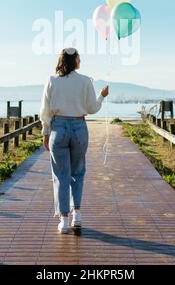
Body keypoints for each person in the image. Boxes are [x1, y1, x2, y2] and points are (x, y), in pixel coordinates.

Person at [40, 48, 109, 234]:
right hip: (79, 128)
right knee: (77, 172)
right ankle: (76, 215)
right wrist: (102, 95)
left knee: (61, 175)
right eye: (79, 57)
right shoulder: (86, 81)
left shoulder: (52, 80)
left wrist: (46, 133)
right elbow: (92, 108)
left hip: (58, 128)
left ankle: (63, 221)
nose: (80, 59)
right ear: (75, 60)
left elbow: (45, 111)